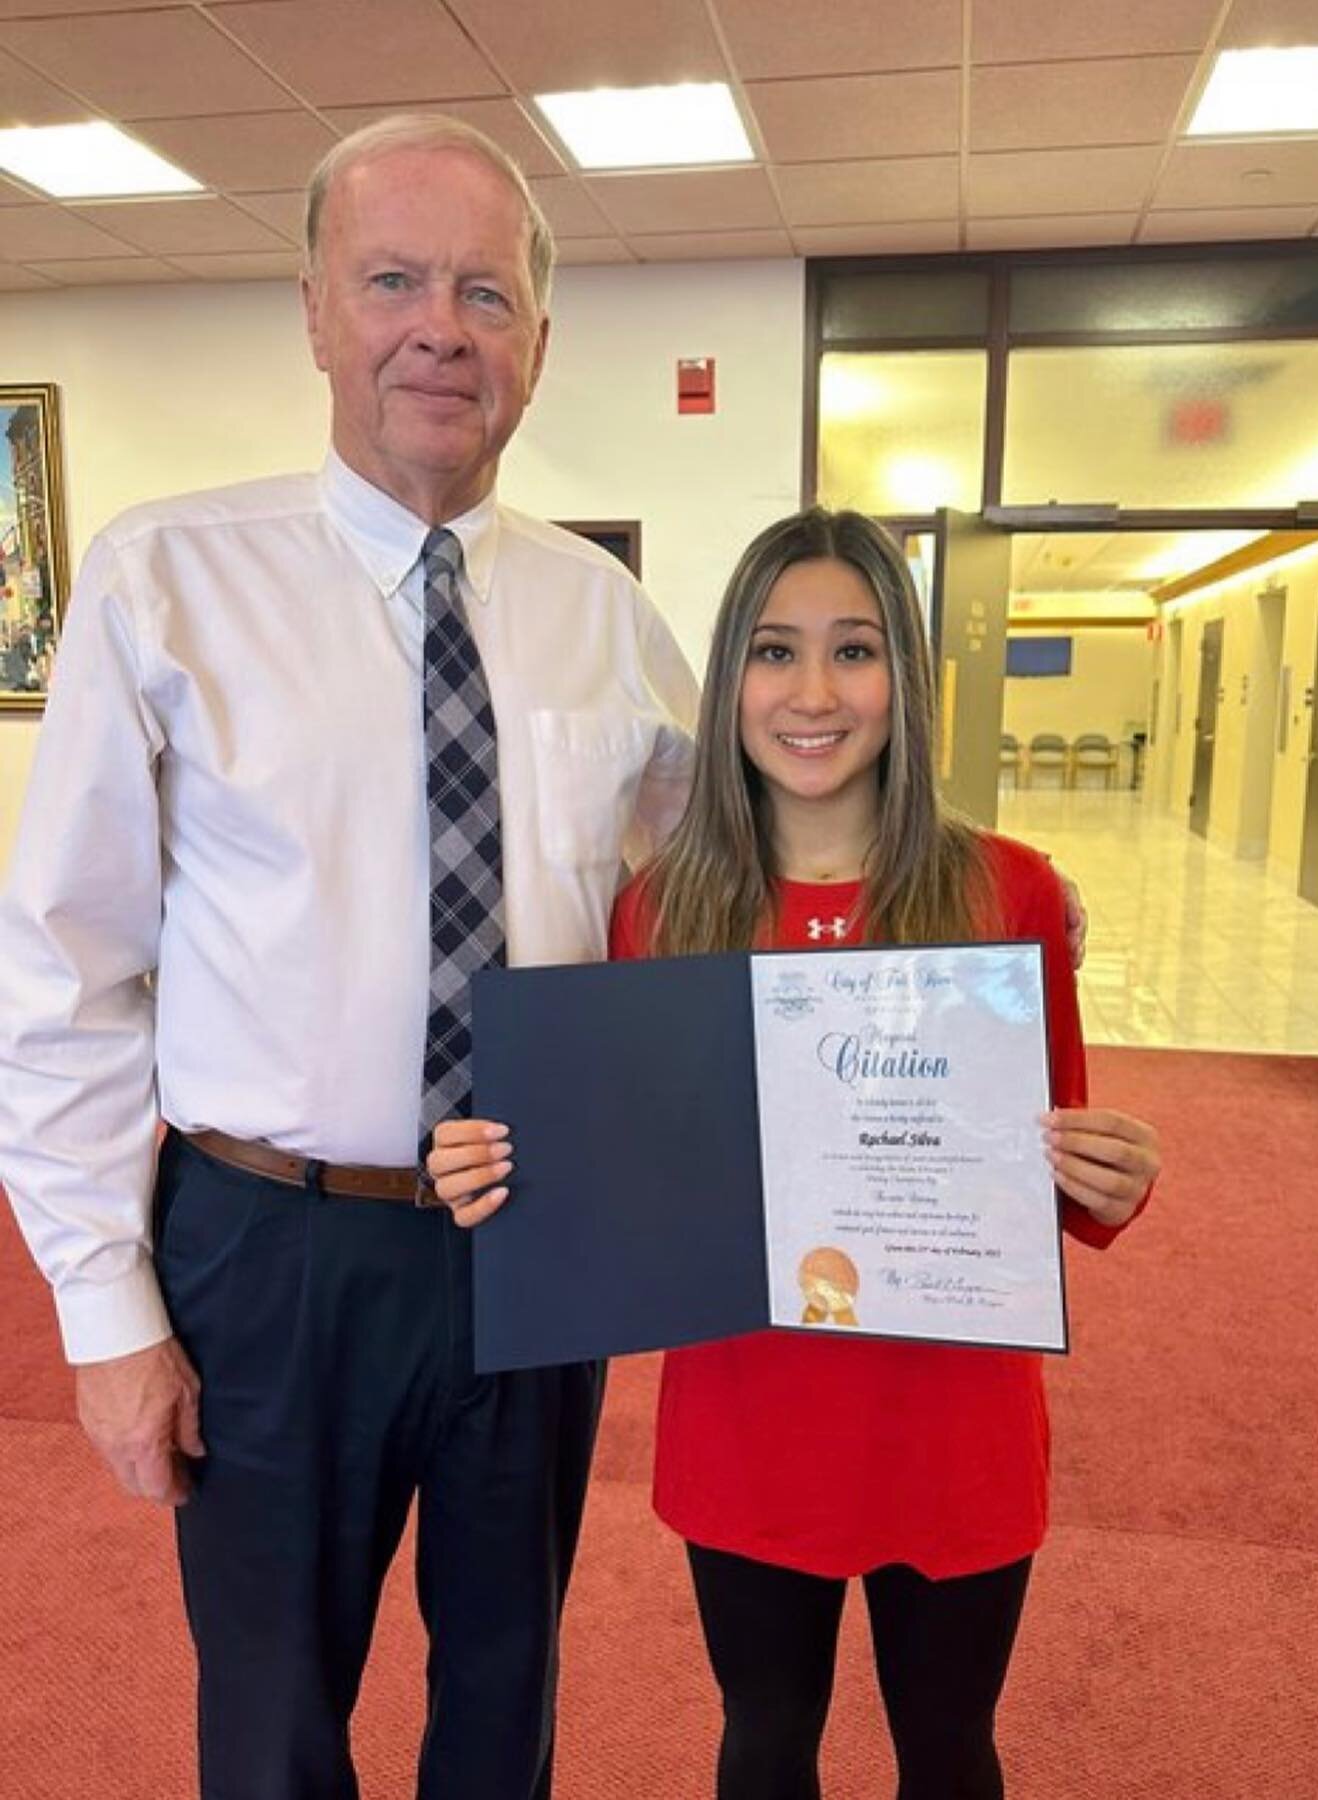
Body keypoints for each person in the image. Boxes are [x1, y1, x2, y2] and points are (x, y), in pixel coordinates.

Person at [0, 116, 697, 1799]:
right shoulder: (166, 581)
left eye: (484, 290)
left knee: (507, 1694)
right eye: (392, 281)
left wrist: (945, 922)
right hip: (269, 1252)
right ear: (315, 309)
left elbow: (725, 886)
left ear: (539, 337)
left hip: (537, 1235)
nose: (438, 329)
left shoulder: (608, 619)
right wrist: (106, 1312)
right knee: (271, 1717)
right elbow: (66, 973)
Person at [428, 507, 1159, 1799]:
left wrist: (1109, 1173)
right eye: (773, 653)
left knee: (950, 1749)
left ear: (906, 682)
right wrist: (504, 1170)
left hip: (954, 1414)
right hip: (753, 1411)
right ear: (729, 688)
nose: (813, 693)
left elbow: (1053, 1175)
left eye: (855, 651)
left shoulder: (1011, 893)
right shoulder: (663, 908)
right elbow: (622, 1170)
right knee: (765, 1741)